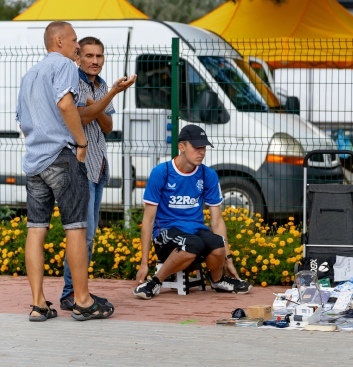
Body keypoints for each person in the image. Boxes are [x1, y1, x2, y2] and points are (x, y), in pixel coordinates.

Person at [16, 21, 114, 321]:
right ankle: (82, 300)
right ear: (58, 41)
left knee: (36, 229)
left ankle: (38, 304)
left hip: (33, 161)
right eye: (73, 40)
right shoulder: (65, 66)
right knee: (76, 228)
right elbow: (66, 104)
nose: (77, 46)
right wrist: (81, 142)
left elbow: (21, 119)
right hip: (61, 156)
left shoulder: (30, 74)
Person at [59, 36, 136, 311]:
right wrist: (111, 95)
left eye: (99, 56)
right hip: (79, 168)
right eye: (89, 56)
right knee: (81, 235)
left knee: (87, 235)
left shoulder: (99, 85)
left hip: (98, 167)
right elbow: (83, 117)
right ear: (78, 57)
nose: (94, 61)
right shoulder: (74, 81)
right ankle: (71, 293)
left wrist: (100, 101)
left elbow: (107, 125)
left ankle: (80, 291)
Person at [134, 124, 252, 299]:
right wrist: (144, 262)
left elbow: (217, 221)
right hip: (166, 233)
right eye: (196, 147)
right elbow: (149, 220)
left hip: (195, 233)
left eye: (203, 147)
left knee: (218, 244)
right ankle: (154, 282)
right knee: (193, 244)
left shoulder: (208, 175)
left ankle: (218, 281)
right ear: (182, 147)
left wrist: (228, 259)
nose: (201, 152)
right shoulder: (162, 172)